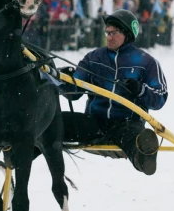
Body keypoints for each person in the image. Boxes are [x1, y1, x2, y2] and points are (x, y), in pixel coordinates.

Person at [60, 9, 168, 175]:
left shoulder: (146, 62)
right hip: (94, 123)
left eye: (113, 33)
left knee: (135, 137)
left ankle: (143, 157)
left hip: (126, 124)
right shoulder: (93, 58)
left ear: (127, 34)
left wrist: (140, 89)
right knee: (52, 122)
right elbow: (74, 92)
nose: (108, 37)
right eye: (107, 32)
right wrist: (62, 80)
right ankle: (23, 152)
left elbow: (159, 99)